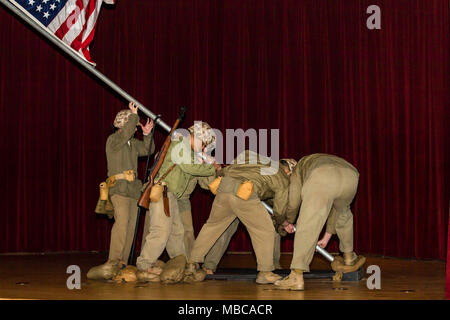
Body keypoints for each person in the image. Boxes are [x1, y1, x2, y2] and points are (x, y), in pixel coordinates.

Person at [185, 151, 293, 284]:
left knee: (212, 227)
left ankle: (191, 263)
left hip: (224, 188)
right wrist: (283, 222)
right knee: (265, 230)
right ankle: (265, 272)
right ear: (288, 171)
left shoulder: (256, 162)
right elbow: (280, 210)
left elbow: (223, 172)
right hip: (244, 192)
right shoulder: (282, 176)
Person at [136, 122, 220, 282]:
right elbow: (190, 167)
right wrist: (211, 167)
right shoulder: (179, 145)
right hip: (163, 192)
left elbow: (195, 174)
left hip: (171, 195)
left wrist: (203, 162)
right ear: (197, 137)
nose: (203, 149)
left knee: (177, 232)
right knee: (160, 230)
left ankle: (180, 263)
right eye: (204, 144)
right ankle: (144, 264)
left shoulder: (187, 150)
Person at [274, 153, 364, 291]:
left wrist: (288, 221)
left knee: (308, 222)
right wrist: (326, 237)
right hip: (351, 175)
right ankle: (349, 257)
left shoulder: (298, 169)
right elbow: (335, 211)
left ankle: (295, 276)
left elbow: (293, 202)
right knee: (343, 214)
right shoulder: (318, 159)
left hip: (322, 175)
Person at [87, 102, 154, 280]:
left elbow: (149, 150)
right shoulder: (114, 140)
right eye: (134, 125)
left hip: (133, 191)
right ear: (124, 124)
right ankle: (114, 261)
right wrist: (134, 116)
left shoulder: (132, 143)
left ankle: (123, 263)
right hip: (119, 189)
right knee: (122, 223)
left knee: (131, 227)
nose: (136, 129)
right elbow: (125, 133)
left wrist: (147, 135)